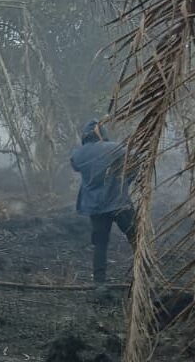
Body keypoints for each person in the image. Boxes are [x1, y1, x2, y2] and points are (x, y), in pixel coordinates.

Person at [70, 118, 137, 289]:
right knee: (136, 238)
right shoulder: (114, 148)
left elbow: (76, 166)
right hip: (119, 202)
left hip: (96, 207)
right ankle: (144, 277)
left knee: (100, 244)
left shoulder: (78, 154)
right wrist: (128, 181)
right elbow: (136, 158)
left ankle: (99, 284)